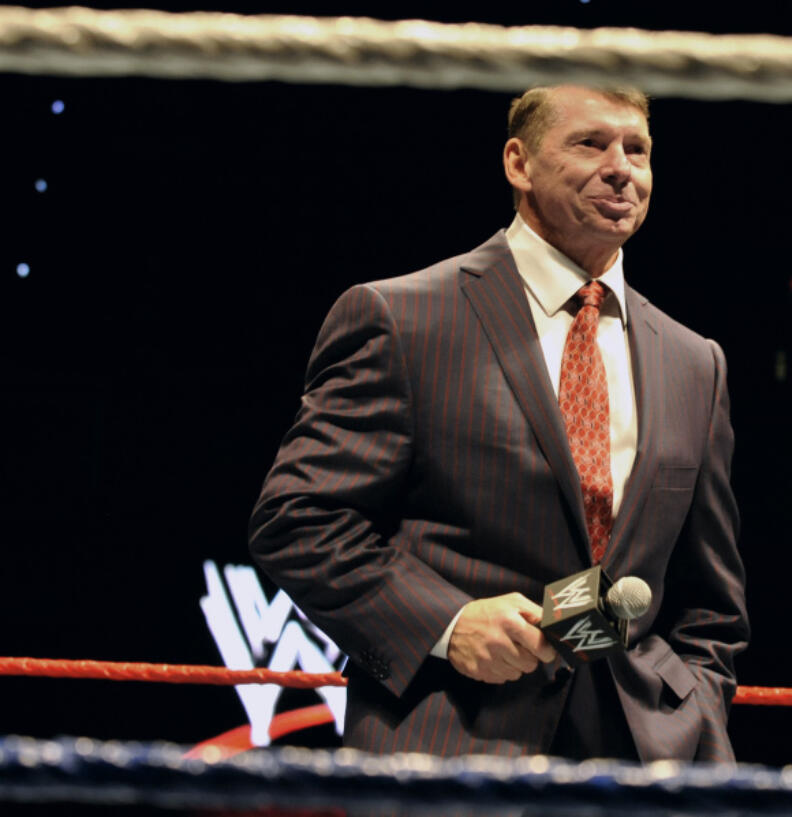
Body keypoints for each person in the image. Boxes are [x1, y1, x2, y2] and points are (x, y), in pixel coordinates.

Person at [249, 84, 749, 762]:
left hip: (646, 762)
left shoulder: (696, 363)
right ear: (519, 163)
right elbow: (298, 520)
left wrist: (695, 709)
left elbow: (711, 601)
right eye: (590, 143)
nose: (621, 167)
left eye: (638, 149)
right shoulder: (403, 318)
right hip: (453, 744)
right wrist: (447, 623)